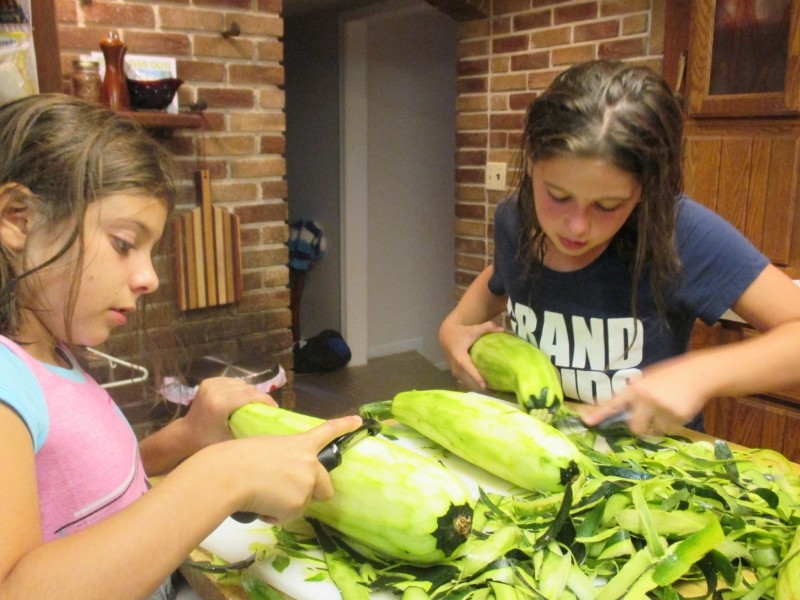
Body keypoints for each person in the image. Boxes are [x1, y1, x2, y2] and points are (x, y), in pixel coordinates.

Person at [0, 94, 362, 600]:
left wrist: (186, 438)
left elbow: (90, 493)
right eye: (125, 243)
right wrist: (221, 478)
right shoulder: (5, 383)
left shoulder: (55, 356)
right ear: (18, 218)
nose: (148, 278)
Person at [440, 59, 800, 437]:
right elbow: (499, 279)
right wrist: (452, 329)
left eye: (607, 206)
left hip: (651, 462)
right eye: (558, 196)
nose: (577, 226)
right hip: (543, 442)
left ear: (645, 189)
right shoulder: (514, 220)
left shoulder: (683, 233)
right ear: (531, 161)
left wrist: (702, 375)